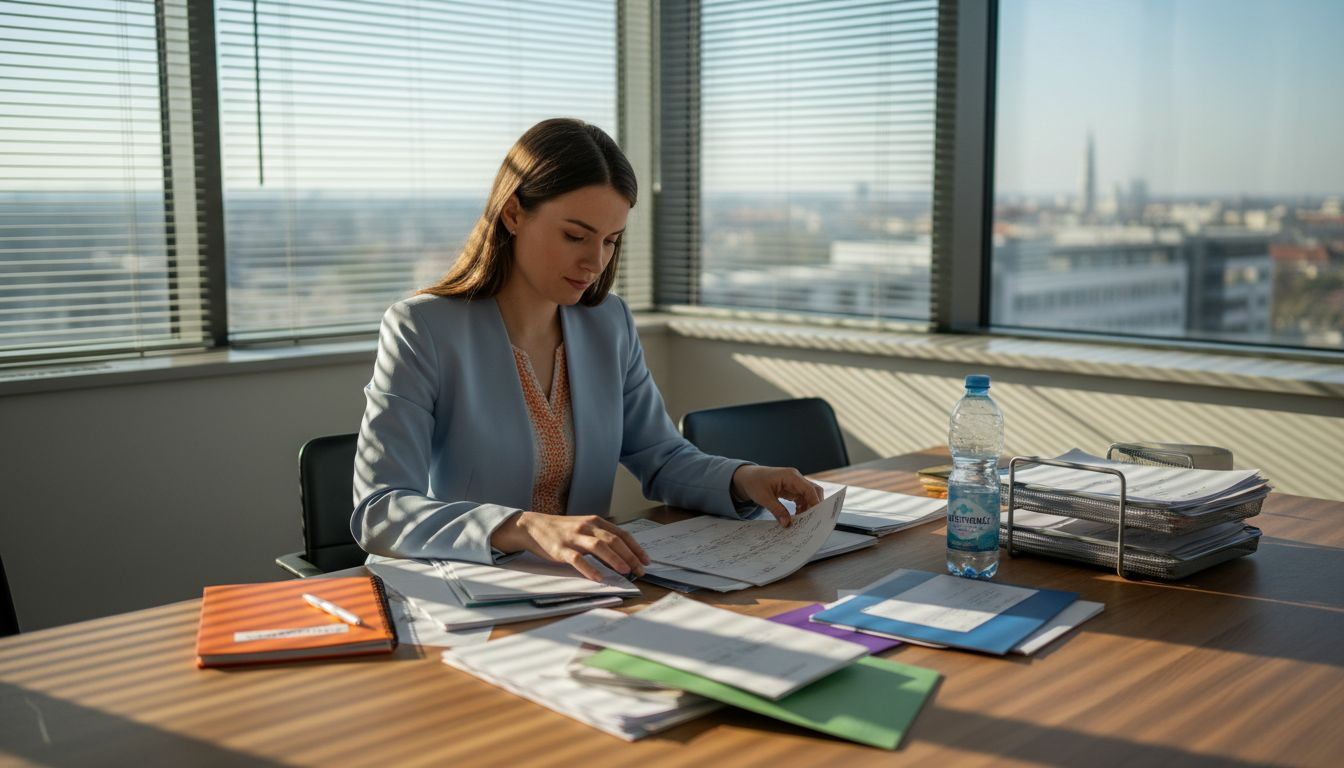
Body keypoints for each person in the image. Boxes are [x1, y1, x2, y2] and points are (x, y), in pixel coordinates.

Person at [352, 117, 823, 581]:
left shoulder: (608, 322)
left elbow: (660, 456)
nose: (595, 262)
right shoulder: (422, 328)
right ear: (513, 213)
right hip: (465, 589)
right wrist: (522, 527)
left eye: (610, 241)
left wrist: (743, 478)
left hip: (582, 590)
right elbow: (381, 508)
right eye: (575, 236)